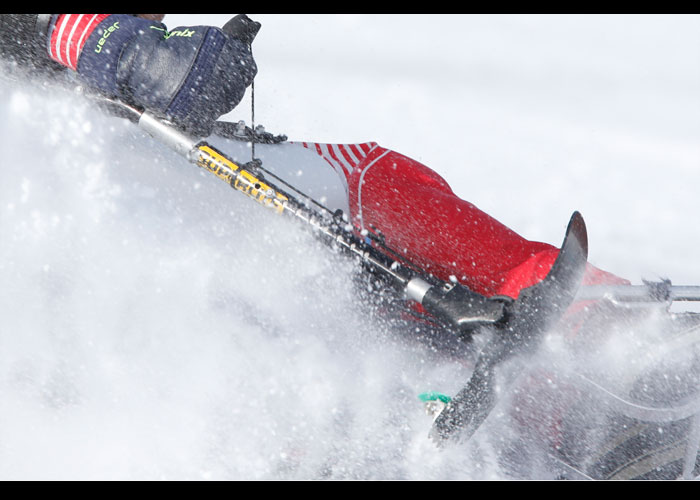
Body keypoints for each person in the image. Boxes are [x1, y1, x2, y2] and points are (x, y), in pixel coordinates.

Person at [0, 14, 627, 308]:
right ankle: (603, 325)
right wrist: (201, 58)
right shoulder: (52, 23)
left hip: (124, 275)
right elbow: (172, 76)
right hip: (170, 215)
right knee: (371, 176)